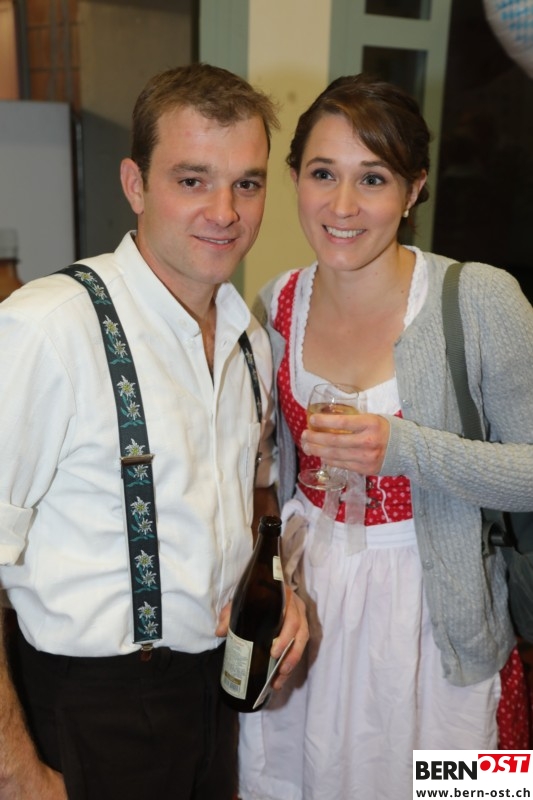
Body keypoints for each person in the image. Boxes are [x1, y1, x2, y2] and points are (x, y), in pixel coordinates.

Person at [0, 63, 308, 800]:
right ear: (135, 184)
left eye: (246, 183)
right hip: (88, 710)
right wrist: (16, 773)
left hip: (212, 698)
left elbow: (254, 496)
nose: (224, 212)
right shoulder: (46, 329)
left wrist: (282, 590)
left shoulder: (249, 341)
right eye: (192, 180)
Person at [238, 73, 533, 800]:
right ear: (295, 179)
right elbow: (265, 470)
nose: (342, 206)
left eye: (372, 178)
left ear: (413, 189)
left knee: (453, 784)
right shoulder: (275, 303)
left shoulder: (481, 299)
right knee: (301, 777)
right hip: (311, 599)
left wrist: (404, 450)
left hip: (440, 615)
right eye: (322, 173)